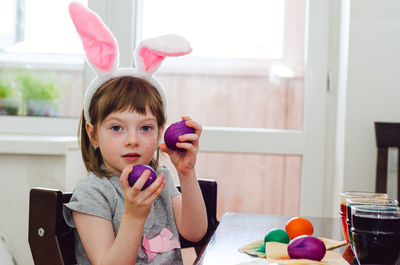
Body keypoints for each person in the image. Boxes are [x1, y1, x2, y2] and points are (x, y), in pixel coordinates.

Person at [63, 2, 207, 265]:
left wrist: (186, 173)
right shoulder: (92, 193)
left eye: (145, 128)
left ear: (159, 133)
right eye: (117, 128)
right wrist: (134, 215)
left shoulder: (160, 179)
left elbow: (195, 233)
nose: (132, 139)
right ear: (93, 135)